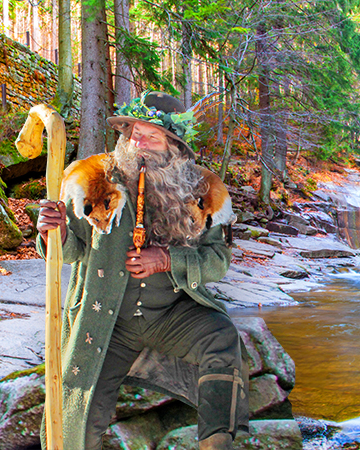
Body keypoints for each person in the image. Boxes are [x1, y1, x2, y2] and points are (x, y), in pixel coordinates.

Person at [36, 91, 247, 450]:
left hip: (172, 315)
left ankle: (217, 444)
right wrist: (51, 232)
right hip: (107, 320)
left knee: (222, 338)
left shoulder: (202, 191)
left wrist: (167, 260)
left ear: (174, 146)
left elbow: (217, 261)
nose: (139, 143)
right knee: (80, 415)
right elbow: (70, 252)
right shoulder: (93, 179)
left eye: (151, 136)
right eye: (134, 132)